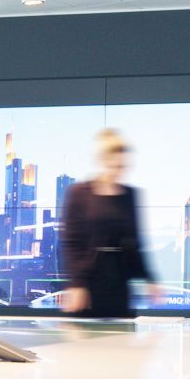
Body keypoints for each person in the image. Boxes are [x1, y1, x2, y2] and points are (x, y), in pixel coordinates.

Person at [59, 129, 156, 318]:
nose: (119, 171)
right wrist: (77, 284)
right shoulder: (79, 193)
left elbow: (135, 243)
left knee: (121, 342)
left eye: (123, 166)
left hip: (119, 283)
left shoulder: (129, 195)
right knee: (83, 342)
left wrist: (149, 279)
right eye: (116, 165)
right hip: (88, 284)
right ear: (103, 160)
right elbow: (71, 242)